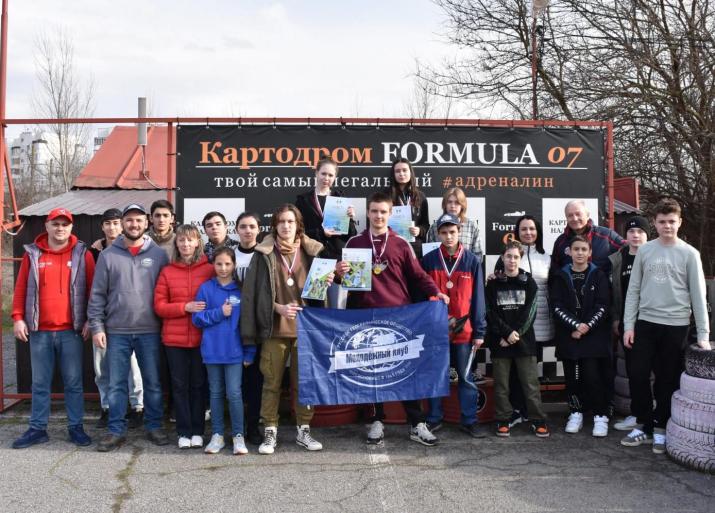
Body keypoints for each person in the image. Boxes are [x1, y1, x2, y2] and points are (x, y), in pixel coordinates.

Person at [336, 191, 449, 446]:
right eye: (374, 211)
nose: (378, 216)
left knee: (405, 371)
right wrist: (339, 273)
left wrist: (436, 291)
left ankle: (416, 423)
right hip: (365, 316)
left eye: (383, 212)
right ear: (368, 213)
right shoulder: (354, 242)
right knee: (372, 373)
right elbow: (346, 282)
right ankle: (376, 420)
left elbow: (418, 275)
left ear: (390, 214)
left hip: (399, 317)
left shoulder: (401, 243)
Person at [621, 198, 710, 454]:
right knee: (638, 375)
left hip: (676, 326)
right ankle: (644, 424)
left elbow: (698, 296)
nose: (667, 226)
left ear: (680, 222)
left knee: (666, 379)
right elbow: (633, 290)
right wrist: (629, 325)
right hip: (645, 323)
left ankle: (661, 427)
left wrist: (703, 334)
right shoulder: (645, 251)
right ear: (655, 223)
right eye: (662, 222)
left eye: (672, 221)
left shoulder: (690, 254)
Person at [241, 204, 331, 454]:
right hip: (275, 330)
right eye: (281, 221)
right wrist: (277, 308)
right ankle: (270, 430)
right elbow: (253, 295)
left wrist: (327, 281)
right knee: (271, 383)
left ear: (298, 225)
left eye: (290, 221)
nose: (286, 226)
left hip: (305, 330)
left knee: (304, 383)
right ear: (275, 225)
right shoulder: (263, 253)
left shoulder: (313, 251)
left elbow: (319, 293)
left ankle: (304, 430)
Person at [89, 203, 170, 452]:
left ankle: (154, 426)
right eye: (129, 220)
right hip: (116, 331)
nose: (134, 224)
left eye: (138, 220)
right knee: (116, 385)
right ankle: (116, 430)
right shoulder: (108, 255)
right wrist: (97, 327)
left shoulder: (159, 255)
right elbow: (97, 295)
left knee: (152, 383)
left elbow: (166, 292)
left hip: (150, 331)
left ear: (146, 223)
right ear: (123, 223)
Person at [11, 208, 94, 449]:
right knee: (39, 383)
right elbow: (21, 289)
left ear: (71, 227)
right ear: (46, 226)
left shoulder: (83, 254)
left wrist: (90, 319)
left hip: (71, 332)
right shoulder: (33, 254)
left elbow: (94, 291)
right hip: (39, 331)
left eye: (65, 224)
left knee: (73, 382)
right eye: (55, 224)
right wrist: (17, 318)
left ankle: (76, 427)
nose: (60, 228)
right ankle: (38, 429)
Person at [422, 213, 487, 438]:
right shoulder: (429, 260)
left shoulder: (472, 261)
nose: (448, 236)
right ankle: (434, 418)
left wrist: (479, 331)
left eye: (452, 232)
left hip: (464, 331)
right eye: (444, 232)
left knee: (466, 377)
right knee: (436, 375)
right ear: (438, 234)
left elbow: (479, 299)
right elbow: (421, 294)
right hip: (436, 330)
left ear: (459, 232)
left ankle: (469, 420)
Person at [154, 224, 214, 449]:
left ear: (198, 242)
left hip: (202, 338)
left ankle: (198, 431)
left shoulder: (209, 270)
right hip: (174, 340)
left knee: (198, 385)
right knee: (179, 386)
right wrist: (184, 307)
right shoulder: (167, 271)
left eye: (190, 240)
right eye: (181, 240)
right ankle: (183, 431)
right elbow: (159, 306)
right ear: (176, 244)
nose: (186, 244)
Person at [193, 247, 257, 455]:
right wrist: (219, 312)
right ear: (213, 265)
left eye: (227, 264)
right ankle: (217, 435)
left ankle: (238, 435)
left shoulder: (241, 291)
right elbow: (197, 319)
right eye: (219, 264)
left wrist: (249, 352)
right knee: (215, 393)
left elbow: (248, 324)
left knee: (234, 393)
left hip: (234, 352)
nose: (223, 268)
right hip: (212, 351)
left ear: (234, 265)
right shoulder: (205, 289)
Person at [493, 215, 554, 427]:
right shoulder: (500, 269)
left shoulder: (545, 259)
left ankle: (533, 415)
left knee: (530, 377)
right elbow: (492, 305)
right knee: (507, 379)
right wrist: (506, 333)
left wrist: (517, 332)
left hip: (535, 327)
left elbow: (549, 290)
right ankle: (512, 413)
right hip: (506, 331)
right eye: (523, 229)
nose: (528, 232)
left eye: (532, 228)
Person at [551, 236, 612, 437]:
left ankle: (600, 416)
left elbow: (603, 306)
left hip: (593, 337)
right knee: (572, 378)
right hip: (569, 336)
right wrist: (575, 325)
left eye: (583, 249)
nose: (579, 253)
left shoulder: (599, 275)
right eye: (576, 249)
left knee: (593, 377)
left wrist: (586, 327)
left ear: (590, 252)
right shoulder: (560, 275)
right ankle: (575, 413)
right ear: (569, 252)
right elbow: (557, 306)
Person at [89, 208, 144, 429]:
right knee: (102, 367)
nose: (112, 227)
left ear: (122, 225)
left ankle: (137, 407)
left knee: (133, 368)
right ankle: (107, 407)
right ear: (102, 227)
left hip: (129, 321)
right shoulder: (94, 252)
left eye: (115, 223)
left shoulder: (135, 249)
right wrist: (92, 321)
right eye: (107, 223)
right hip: (102, 319)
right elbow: (91, 289)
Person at [608, 215, 649, 432]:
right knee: (635, 372)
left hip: (653, 322)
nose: (635, 235)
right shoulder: (617, 259)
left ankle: (659, 417)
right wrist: (616, 318)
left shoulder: (654, 255)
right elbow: (615, 293)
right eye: (632, 231)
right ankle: (638, 414)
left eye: (640, 231)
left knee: (657, 372)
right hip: (627, 324)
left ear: (647, 235)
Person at [233, 211, 264, 445]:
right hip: (232, 328)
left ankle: (253, 426)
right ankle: (236, 427)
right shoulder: (229, 255)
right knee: (236, 382)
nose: (247, 230)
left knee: (255, 381)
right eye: (243, 226)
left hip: (258, 327)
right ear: (236, 230)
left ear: (259, 230)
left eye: (252, 226)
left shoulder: (265, 255)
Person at [295, 156, 357, 260]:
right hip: (312, 257)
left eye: (330, 175)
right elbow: (298, 233)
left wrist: (349, 219)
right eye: (323, 174)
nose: (326, 178)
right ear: (316, 173)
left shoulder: (340, 199)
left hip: (337, 257)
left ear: (335, 177)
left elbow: (351, 235)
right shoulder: (303, 201)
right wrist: (321, 233)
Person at [550, 200, 624, 275]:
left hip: (601, 282)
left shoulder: (606, 235)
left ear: (587, 215)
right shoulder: (560, 241)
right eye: (570, 215)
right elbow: (554, 271)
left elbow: (628, 249)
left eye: (578, 214)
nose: (575, 218)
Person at [425, 187, 482, 258]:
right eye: (449, 202)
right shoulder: (434, 227)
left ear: (462, 205)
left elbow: (478, 255)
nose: (453, 206)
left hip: (466, 265)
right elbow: (429, 256)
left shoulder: (472, 226)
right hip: (439, 265)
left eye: (457, 202)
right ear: (445, 205)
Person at [388, 158, 429, 248]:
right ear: (393, 174)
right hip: (392, 245)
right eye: (397, 171)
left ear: (410, 172)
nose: (401, 174)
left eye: (404, 170)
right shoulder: (386, 196)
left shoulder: (420, 196)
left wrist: (419, 230)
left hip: (414, 246)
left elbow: (425, 224)